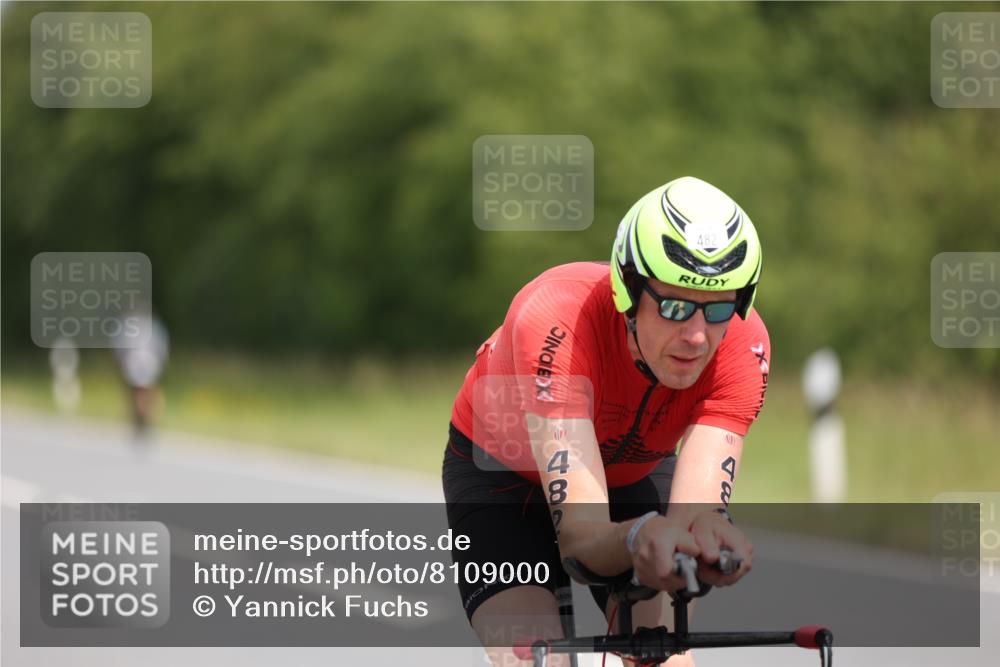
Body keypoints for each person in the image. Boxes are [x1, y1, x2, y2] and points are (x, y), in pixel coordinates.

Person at [442, 176, 770, 667]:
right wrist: (639, 536)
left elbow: (690, 521)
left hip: (632, 471)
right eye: (676, 306)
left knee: (662, 658)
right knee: (537, 659)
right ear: (628, 293)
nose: (698, 337)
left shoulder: (744, 347)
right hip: (501, 479)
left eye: (719, 307)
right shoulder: (558, 321)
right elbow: (582, 537)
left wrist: (705, 536)